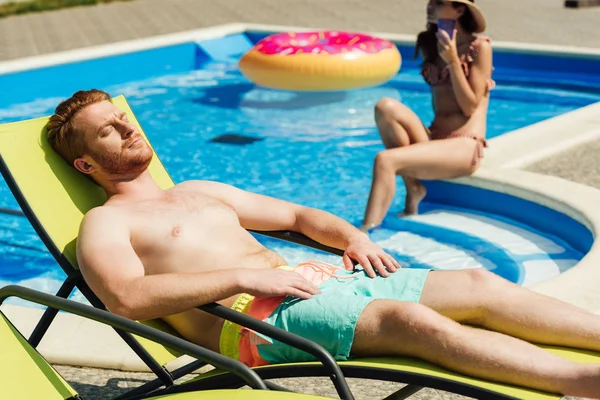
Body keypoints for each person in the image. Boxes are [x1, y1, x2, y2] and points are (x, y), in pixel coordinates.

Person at [46, 89, 600, 398]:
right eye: (108, 131)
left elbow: (298, 214)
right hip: (251, 318)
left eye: (122, 118)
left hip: (317, 281)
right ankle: (581, 384)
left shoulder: (196, 190)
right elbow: (126, 298)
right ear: (86, 163)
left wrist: (353, 237)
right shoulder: (104, 223)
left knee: (479, 284)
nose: (127, 128)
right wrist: (245, 277)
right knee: (414, 322)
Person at [362, 0, 494, 230]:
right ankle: (414, 187)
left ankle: (364, 232)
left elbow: (469, 107)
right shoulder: (430, 44)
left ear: (459, 9)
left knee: (385, 160)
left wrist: (453, 60)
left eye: (439, 2)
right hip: (434, 138)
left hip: (464, 144)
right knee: (385, 107)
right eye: (430, 1)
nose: (430, 6)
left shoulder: (479, 47)